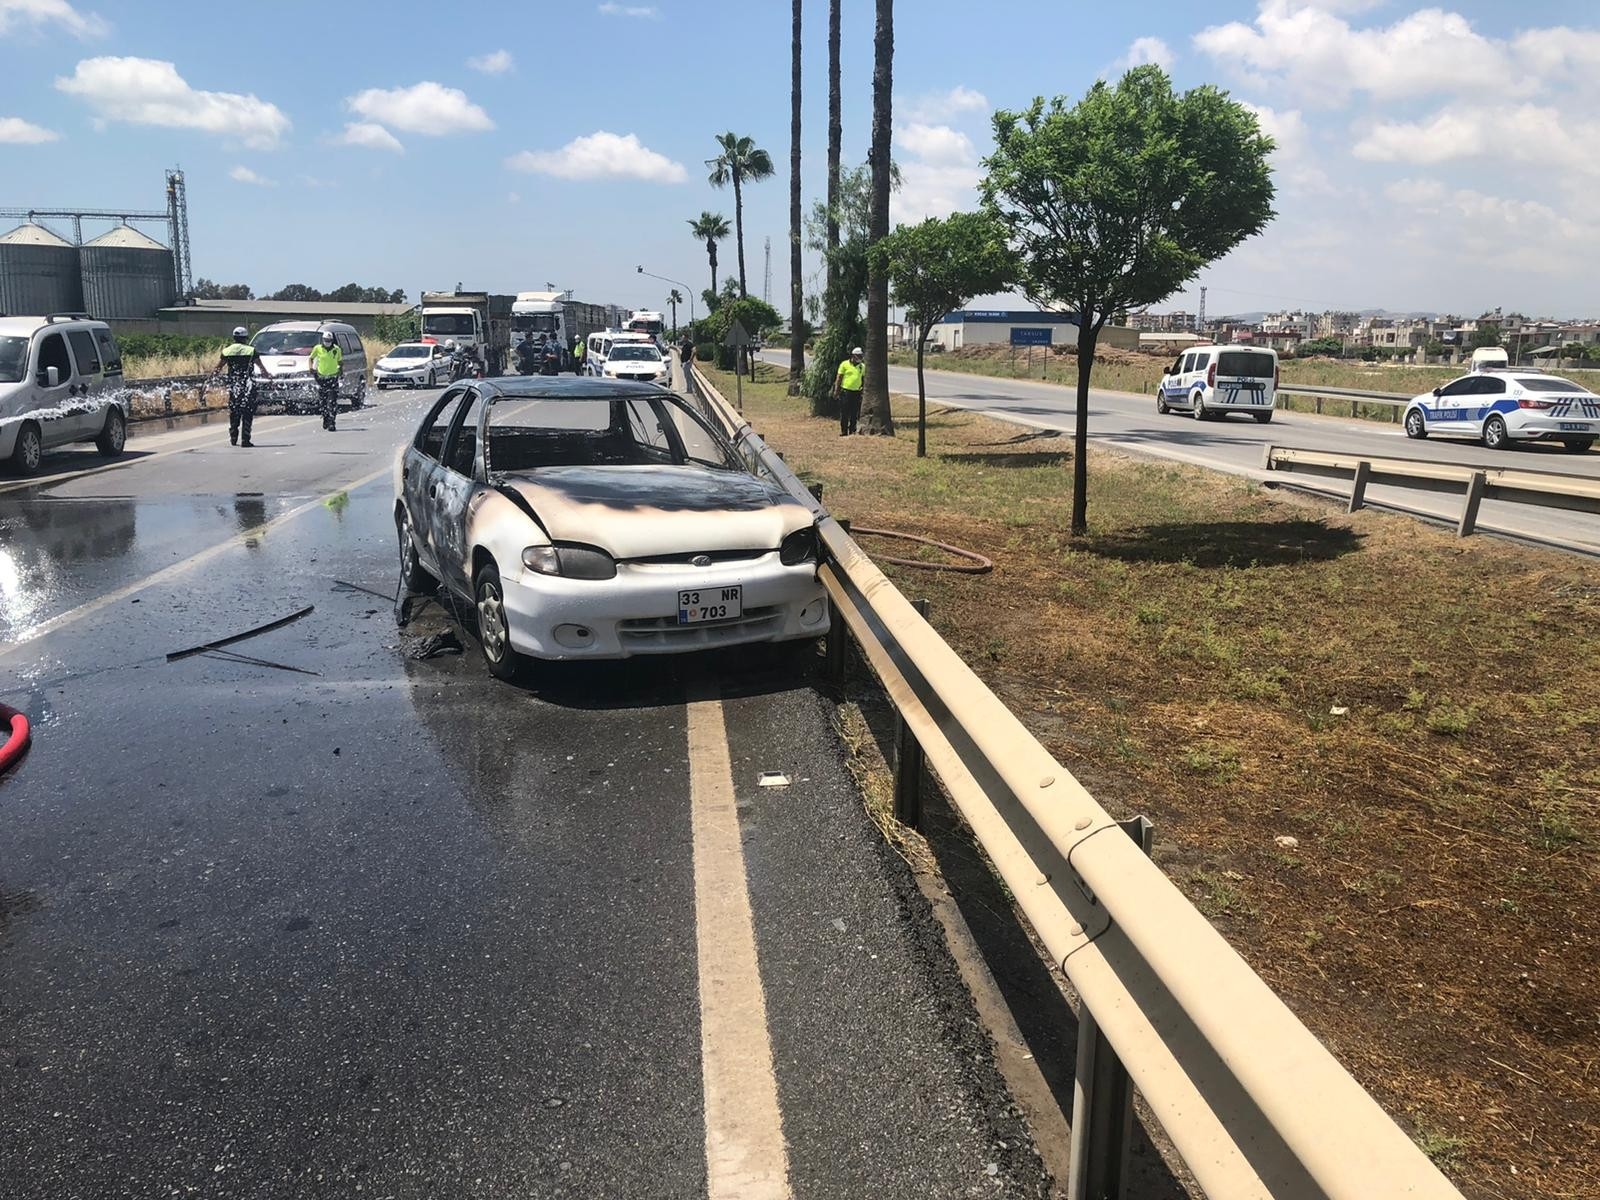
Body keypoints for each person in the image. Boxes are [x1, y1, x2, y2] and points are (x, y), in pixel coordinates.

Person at [216, 326, 263, 447]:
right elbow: (261, 367)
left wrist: (212, 379)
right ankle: (245, 440)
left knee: (234, 411)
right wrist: (270, 378)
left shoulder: (227, 351)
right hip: (247, 386)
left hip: (234, 385)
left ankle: (233, 436)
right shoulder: (251, 350)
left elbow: (218, 367)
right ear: (245, 338)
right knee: (247, 412)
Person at [308, 329, 342, 431]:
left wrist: (341, 371)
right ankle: (325, 418)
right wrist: (311, 368)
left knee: (332, 402)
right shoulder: (317, 349)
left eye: (329, 340)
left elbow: (340, 362)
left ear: (332, 340)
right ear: (322, 340)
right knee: (322, 402)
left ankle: (332, 423)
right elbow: (311, 358)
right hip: (321, 379)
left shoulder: (336, 349)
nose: (327, 342)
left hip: (333, 378)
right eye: (325, 340)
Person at [833, 346, 864, 436]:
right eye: (858, 356)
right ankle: (844, 431)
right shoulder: (844, 364)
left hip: (856, 392)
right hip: (846, 392)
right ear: (853, 356)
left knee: (854, 413)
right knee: (844, 412)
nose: (860, 358)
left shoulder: (862, 367)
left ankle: (852, 430)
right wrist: (836, 391)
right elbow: (839, 378)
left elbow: (864, 378)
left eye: (861, 356)